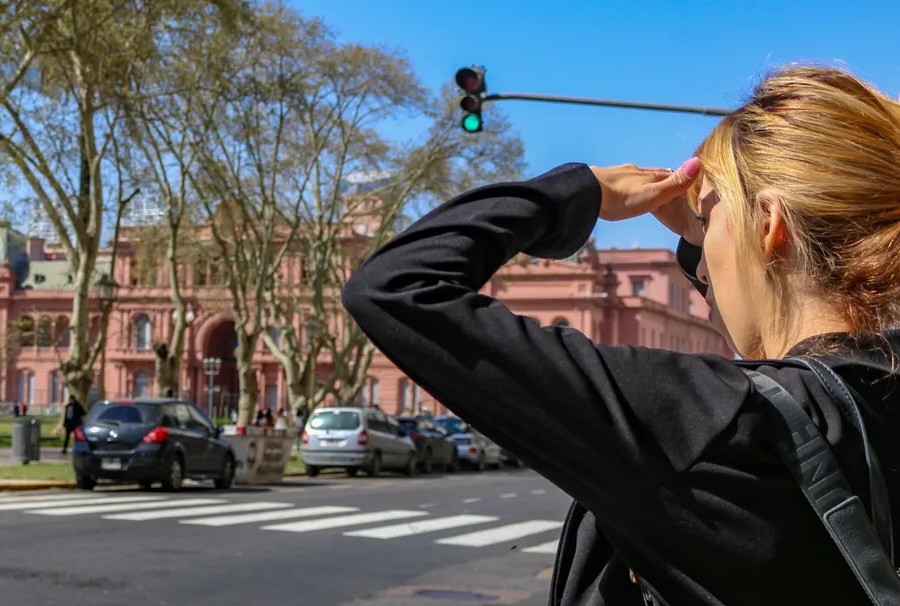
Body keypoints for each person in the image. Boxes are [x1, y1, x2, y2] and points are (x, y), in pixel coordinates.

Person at [341, 64, 900, 606]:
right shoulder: (875, 398)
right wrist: (697, 230)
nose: (701, 268)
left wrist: (579, 191)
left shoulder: (711, 423)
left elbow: (393, 286)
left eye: (707, 228)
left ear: (768, 224)